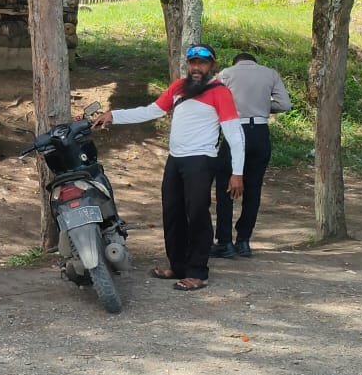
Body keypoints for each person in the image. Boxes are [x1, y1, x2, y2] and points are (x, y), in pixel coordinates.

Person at [93, 43, 244, 291]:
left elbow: (234, 134)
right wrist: (115, 115)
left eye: (202, 63)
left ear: (212, 66)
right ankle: (178, 265)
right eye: (193, 63)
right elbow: (152, 111)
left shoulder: (220, 92)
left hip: (201, 160)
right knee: (172, 213)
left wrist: (237, 172)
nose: (197, 68)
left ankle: (198, 272)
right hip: (175, 160)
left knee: (197, 214)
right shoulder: (179, 87)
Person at [211, 52, 292, 258]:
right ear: (254, 62)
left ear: (235, 61)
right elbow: (285, 104)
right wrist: (263, 107)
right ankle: (244, 241)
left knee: (225, 187)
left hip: (236, 130)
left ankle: (224, 242)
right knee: (253, 188)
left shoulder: (226, 74)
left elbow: (210, 99)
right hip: (261, 134)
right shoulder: (270, 74)